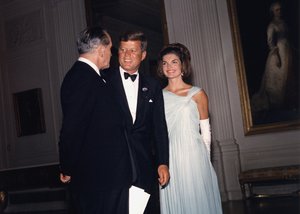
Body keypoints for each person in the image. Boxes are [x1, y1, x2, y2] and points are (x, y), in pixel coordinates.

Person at [58, 26, 133, 214]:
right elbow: (72, 129)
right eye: (110, 49)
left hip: (110, 177)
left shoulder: (94, 77)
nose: (111, 54)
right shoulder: (81, 78)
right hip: (100, 181)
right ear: (101, 50)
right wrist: (66, 166)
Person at [103, 30, 170, 213]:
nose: (127, 55)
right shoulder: (103, 82)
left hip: (144, 165)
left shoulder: (153, 85)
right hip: (112, 165)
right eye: (123, 50)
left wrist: (163, 162)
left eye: (133, 51)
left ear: (143, 55)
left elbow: (159, 127)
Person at [157, 43, 223, 214]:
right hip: (170, 157)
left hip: (194, 156)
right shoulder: (157, 96)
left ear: (182, 65)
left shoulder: (198, 94)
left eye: (174, 62)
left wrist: (205, 163)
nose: (169, 67)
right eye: (165, 63)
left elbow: (206, 132)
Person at [251, 1, 292, 114]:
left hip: (287, 50)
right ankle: (277, 103)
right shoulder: (272, 25)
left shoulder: (283, 23)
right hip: (278, 52)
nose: (279, 12)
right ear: (273, 12)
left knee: (288, 75)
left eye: (280, 9)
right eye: (277, 10)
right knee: (278, 77)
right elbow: (270, 42)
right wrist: (277, 56)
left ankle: (287, 101)